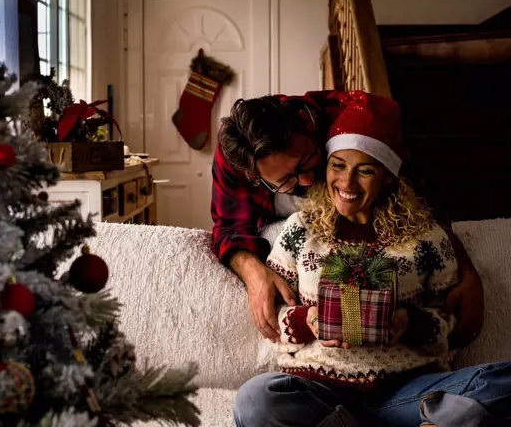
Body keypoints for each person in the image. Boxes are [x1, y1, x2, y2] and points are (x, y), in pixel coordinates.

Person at [233, 92, 508, 427]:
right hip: (321, 392)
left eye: (365, 171)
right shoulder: (300, 231)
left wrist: (411, 323)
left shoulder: (427, 238)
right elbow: (276, 316)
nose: (347, 183)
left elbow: (447, 324)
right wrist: (309, 321)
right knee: (256, 398)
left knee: (501, 382)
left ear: (388, 175)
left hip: (406, 391)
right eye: (338, 166)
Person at [211, 91, 483, 350]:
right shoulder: (237, 154)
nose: (305, 181)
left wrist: (468, 272)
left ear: (307, 126)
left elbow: (421, 204)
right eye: (284, 181)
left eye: (306, 161)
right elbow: (229, 227)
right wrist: (253, 272)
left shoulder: (349, 116)